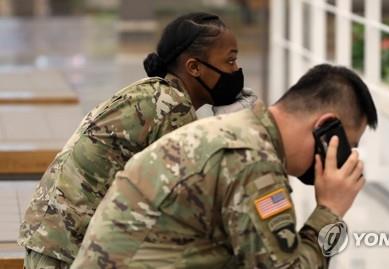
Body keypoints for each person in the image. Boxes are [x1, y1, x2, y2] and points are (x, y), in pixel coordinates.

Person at [71, 64, 378, 268]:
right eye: (347, 146)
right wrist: (330, 211)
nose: (347, 160)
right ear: (325, 128)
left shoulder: (237, 131)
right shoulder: (252, 161)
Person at [19, 12, 256, 269]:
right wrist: (233, 129)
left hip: (56, 237)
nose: (236, 70)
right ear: (194, 67)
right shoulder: (170, 106)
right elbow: (198, 200)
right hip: (68, 247)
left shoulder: (156, 93)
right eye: (230, 61)